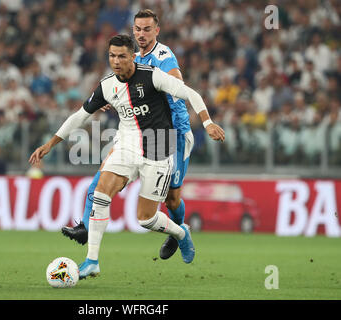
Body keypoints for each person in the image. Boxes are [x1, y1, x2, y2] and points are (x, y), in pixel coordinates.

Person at [29, 35, 225, 279]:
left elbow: (191, 94)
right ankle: (92, 261)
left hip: (158, 146)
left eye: (122, 56)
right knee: (101, 193)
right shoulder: (107, 85)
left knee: (146, 219)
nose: (116, 61)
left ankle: (181, 233)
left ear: (133, 56)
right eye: (112, 56)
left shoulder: (152, 75)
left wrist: (207, 123)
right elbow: (80, 116)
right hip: (127, 144)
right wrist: (50, 143)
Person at [62, 9, 201, 260]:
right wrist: (107, 99)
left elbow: (177, 82)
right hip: (136, 133)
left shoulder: (163, 55)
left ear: (156, 31)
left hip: (171, 132)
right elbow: (119, 86)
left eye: (147, 29)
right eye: (137, 29)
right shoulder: (132, 58)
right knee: (104, 174)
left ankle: (178, 231)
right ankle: (85, 225)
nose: (141, 34)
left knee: (172, 199)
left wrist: (168, 85)